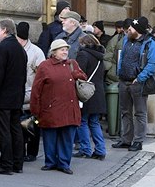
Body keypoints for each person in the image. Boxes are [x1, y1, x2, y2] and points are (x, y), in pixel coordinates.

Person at [30, 39, 86, 174]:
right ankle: (50, 162)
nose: (65, 52)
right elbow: (36, 89)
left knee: (67, 137)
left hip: (69, 108)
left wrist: (76, 74)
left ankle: (64, 163)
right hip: (50, 109)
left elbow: (84, 77)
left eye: (66, 49)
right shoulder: (45, 66)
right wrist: (35, 109)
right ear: (54, 52)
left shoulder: (72, 64)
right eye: (62, 49)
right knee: (50, 137)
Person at [0, 19, 27, 175]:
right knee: (15, 130)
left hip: (3, 98)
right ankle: (17, 163)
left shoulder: (2, 48)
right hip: (16, 97)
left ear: (4, 30)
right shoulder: (20, 49)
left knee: (3, 132)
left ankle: (6, 164)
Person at [111, 17, 155, 152]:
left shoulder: (149, 43)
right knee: (125, 112)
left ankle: (138, 141)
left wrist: (140, 78)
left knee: (139, 113)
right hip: (124, 80)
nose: (128, 30)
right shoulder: (127, 40)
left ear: (137, 30)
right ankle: (126, 139)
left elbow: (153, 63)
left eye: (131, 28)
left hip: (138, 83)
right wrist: (119, 73)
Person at [73, 34, 107, 160]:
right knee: (94, 122)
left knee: (82, 121)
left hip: (86, 92)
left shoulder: (83, 54)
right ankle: (100, 149)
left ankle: (85, 149)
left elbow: (80, 74)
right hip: (97, 91)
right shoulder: (99, 57)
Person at [16, 22, 45, 162]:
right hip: (17, 95)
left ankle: (32, 153)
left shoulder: (36, 52)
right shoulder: (14, 49)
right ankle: (20, 152)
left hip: (31, 94)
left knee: (32, 125)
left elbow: (42, 74)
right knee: (18, 126)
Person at [104, 18, 130, 84]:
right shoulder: (117, 38)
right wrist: (109, 70)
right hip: (114, 75)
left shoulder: (137, 39)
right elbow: (108, 55)